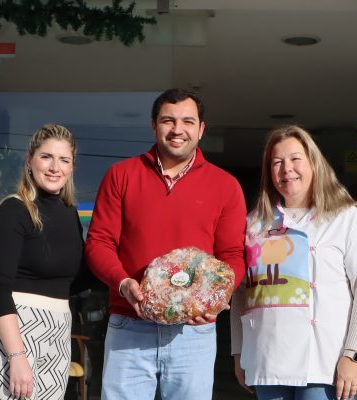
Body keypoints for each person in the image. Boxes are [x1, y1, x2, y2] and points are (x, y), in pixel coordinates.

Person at [85, 88, 247, 399]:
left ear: (200, 129)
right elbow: (99, 242)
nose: (177, 129)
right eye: (168, 120)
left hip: (193, 333)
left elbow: (233, 256)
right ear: (153, 125)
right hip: (129, 326)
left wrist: (217, 297)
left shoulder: (225, 186)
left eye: (188, 121)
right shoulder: (121, 175)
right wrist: (123, 283)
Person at [230, 125, 357, 400]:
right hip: (268, 361)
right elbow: (243, 292)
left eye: (295, 159)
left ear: (313, 164)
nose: (286, 169)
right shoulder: (255, 223)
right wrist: (239, 352)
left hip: (326, 366)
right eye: (277, 162)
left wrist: (354, 355)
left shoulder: (345, 218)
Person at [0, 124, 89, 400]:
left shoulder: (70, 214)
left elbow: (81, 280)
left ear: (72, 167)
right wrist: (16, 355)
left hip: (58, 331)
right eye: (46, 157)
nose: (54, 167)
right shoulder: (14, 210)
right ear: (30, 160)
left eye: (64, 160)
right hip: (14, 334)